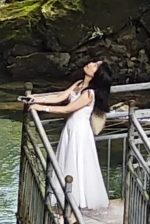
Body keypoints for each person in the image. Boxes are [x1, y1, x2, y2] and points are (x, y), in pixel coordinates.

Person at [24, 61, 114, 212]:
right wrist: (36, 98)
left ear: (97, 74)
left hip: (80, 132)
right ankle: (68, 205)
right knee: (67, 163)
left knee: (77, 166)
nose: (90, 63)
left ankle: (75, 210)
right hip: (70, 129)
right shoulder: (79, 84)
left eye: (95, 65)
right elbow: (60, 97)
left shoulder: (89, 93)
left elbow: (67, 109)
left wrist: (42, 108)